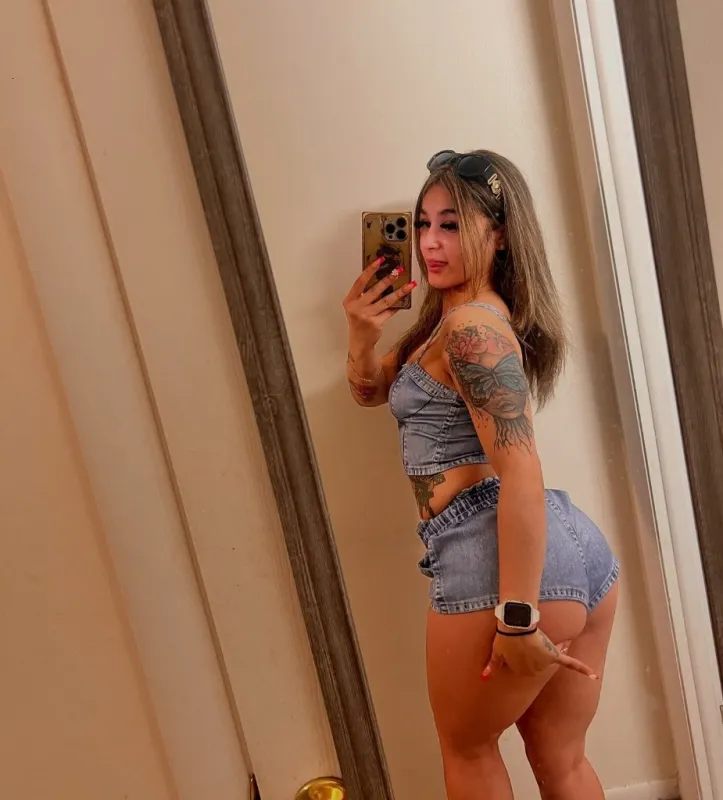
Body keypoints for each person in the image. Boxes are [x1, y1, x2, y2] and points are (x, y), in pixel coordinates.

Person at [343, 150, 620, 800]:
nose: (429, 243)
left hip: (491, 553)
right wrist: (361, 335)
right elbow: (372, 392)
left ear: (498, 235)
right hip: (573, 552)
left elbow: (519, 468)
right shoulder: (450, 323)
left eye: (451, 225)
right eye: (423, 223)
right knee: (562, 760)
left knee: (466, 752)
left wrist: (517, 618)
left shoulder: (470, 329)